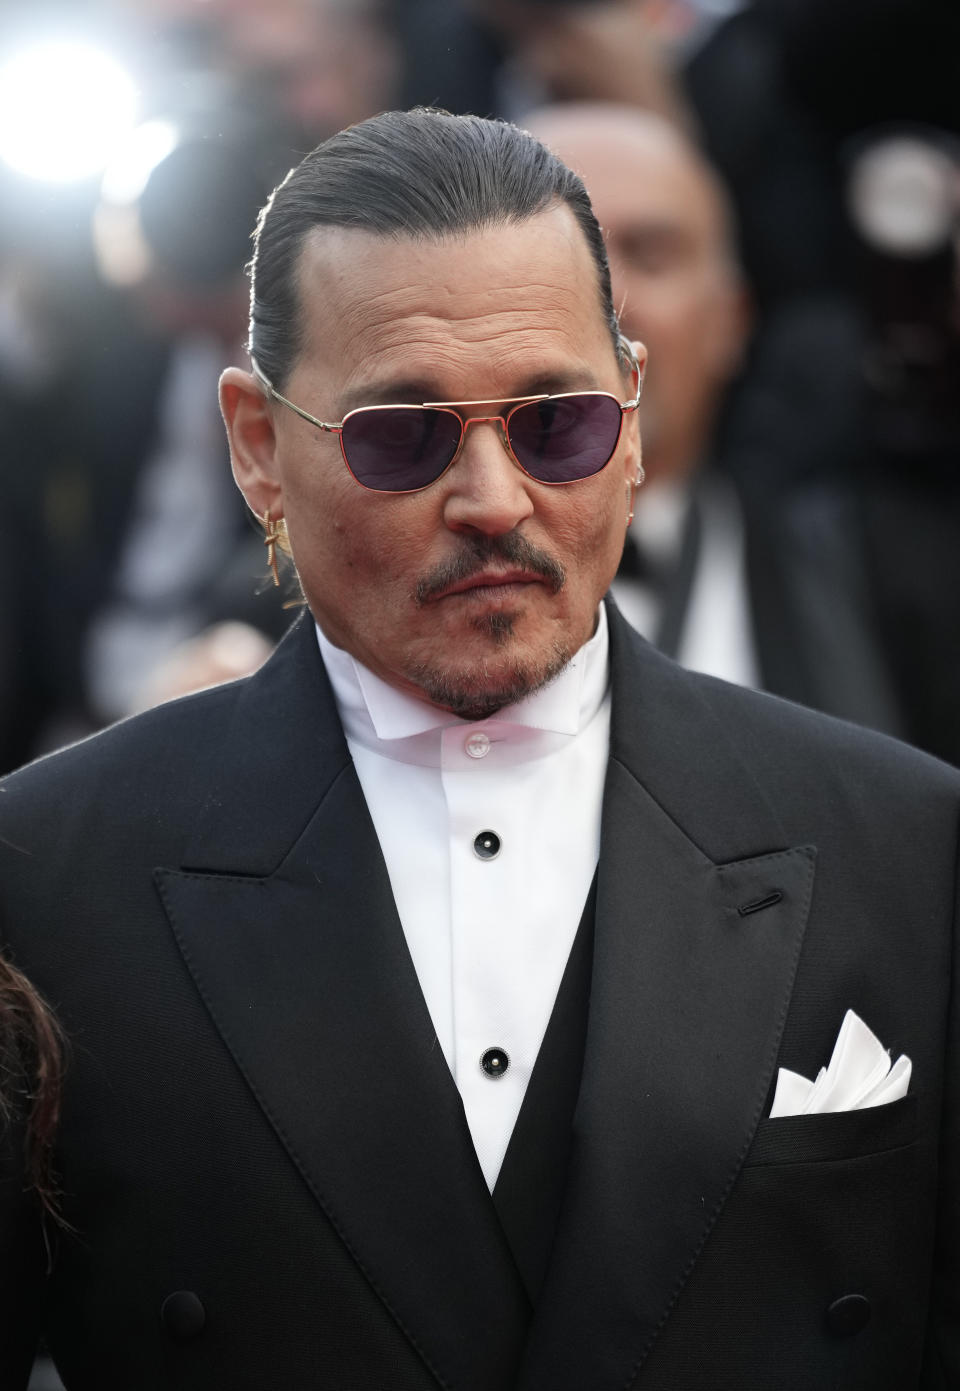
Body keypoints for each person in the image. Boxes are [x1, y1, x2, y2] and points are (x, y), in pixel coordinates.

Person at [0, 108, 957, 1390]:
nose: (496, 498)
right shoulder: (47, 875)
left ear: (629, 405)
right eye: (405, 434)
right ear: (255, 448)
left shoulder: (909, 844)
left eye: (557, 422)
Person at [524, 103, 904, 733]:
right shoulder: (338, 601)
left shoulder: (862, 575)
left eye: (649, 255)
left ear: (732, 319)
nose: (608, 302)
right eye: (553, 258)